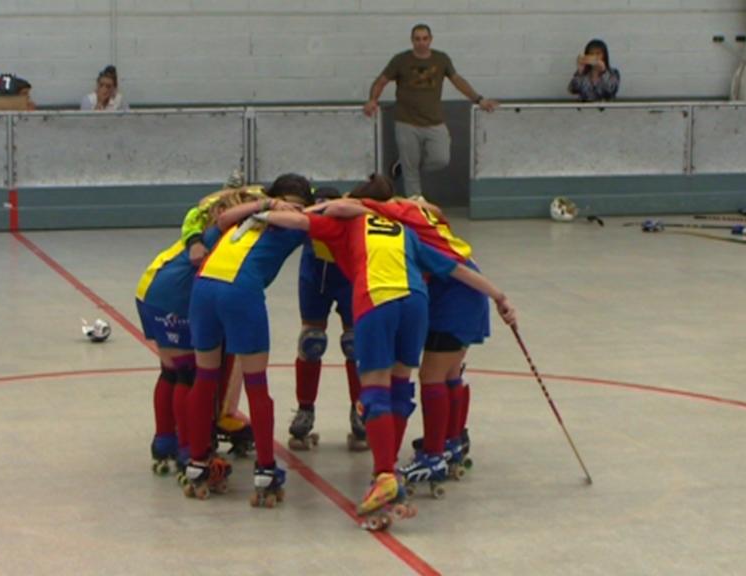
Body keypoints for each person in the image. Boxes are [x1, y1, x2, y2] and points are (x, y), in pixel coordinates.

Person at [255, 175, 517, 530]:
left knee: (375, 390)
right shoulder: (401, 228)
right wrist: (500, 297)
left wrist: (261, 214)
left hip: (377, 298)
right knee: (399, 387)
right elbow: (453, 267)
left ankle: (383, 477)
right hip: (416, 303)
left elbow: (300, 221)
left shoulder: (346, 224)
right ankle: (389, 470)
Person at [183, 175, 312, 508]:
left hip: (205, 288)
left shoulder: (245, 217)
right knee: (255, 382)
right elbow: (305, 220)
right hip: (238, 291)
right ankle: (266, 470)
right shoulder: (286, 220)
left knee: (205, 377)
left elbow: (223, 218)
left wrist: (264, 206)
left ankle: (197, 463)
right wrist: (272, 206)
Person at [348, 190, 487, 495]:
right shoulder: (415, 209)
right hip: (467, 280)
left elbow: (350, 205)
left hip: (454, 291)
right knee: (451, 373)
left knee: (431, 376)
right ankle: (451, 442)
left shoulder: (390, 218)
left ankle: (433, 455)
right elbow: (436, 208)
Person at [137, 188, 260, 483]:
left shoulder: (200, 226)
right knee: (188, 375)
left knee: (170, 371)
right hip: (172, 296)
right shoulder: (221, 236)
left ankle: (164, 440)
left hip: (149, 288)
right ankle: (186, 449)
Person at [363, 23, 498, 198]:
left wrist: (479, 99)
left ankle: (403, 164)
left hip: (434, 121)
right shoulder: (400, 60)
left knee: (440, 159)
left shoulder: (441, 59)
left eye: (425, 38)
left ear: (431, 39)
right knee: (410, 171)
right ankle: (416, 204)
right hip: (406, 122)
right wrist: (372, 100)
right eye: (417, 39)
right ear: (412, 40)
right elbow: (381, 81)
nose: (421, 42)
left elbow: (457, 81)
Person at [288, 187, 368, 452]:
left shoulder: (350, 216)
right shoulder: (307, 220)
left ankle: (360, 411)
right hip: (314, 278)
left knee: (355, 344)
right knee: (312, 342)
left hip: (347, 276)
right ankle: (305, 410)